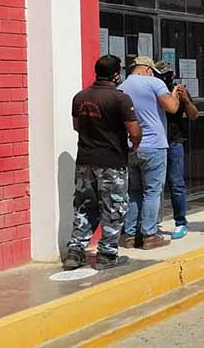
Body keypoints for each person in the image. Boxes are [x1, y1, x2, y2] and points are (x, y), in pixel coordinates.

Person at [64, 55, 141, 270]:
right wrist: (134, 145)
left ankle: (75, 251)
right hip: (112, 162)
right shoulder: (120, 99)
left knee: (84, 205)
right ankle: (107, 254)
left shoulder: (80, 97)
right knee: (114, 207)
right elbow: (134, 132)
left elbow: (77, 126)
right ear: (116, 74)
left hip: (85, 161)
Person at [118, 56, 180, 250]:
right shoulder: (154, 82)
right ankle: (149, 235)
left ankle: (129, 236)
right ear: (147, 69)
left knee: (133, 192)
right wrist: (175, 94)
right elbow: (172, 107)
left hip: (130, 146)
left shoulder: (121, 86)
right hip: (154, 145)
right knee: (152, 192)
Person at [154, 61, 200, 240]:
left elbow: (194, 114)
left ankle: (180, 222)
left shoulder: (178, 91)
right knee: (154, 185)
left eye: (167, 75)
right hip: (155, 142)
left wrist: (185, 99)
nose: (164, 78)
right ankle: (153, 222)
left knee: (176, 184)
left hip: (174, 141)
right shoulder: (152, 90)